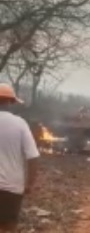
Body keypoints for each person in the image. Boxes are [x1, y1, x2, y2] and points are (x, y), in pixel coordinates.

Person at [0, 83, 39, 232]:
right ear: (10, 102)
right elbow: (33, 157)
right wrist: (30, 184)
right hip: (12, 187)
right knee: (8, 227)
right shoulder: (20, 124)